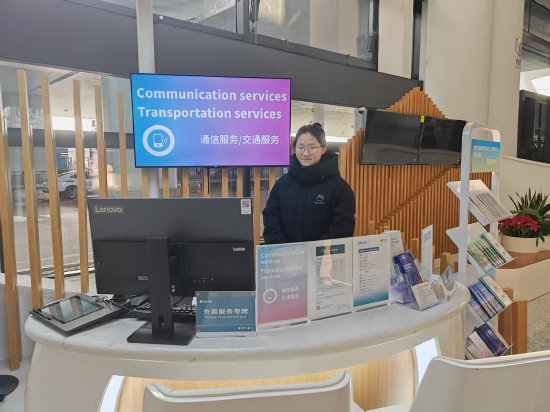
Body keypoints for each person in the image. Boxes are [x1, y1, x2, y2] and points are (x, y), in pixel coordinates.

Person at [262, 123, 355, 244]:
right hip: (285, 253)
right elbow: (271, 219)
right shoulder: (282, 185)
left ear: (323, 149)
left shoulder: (340, 188)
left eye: (312, 147)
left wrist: (316, 251)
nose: (305, 153)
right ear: (294, 148)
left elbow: (342, 228)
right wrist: (285, 249)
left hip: (323, 254)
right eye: (300, 147)